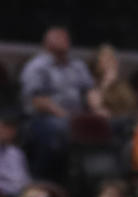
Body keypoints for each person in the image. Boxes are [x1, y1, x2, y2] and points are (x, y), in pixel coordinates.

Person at [19, 26, 97, 178]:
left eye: (66, 38)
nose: (64, 41)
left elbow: (90, 91)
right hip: (43, 118)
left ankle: (90, 178)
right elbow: (37, 100)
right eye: (59, 38)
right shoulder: (37, 66)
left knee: (110, 124)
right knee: (59, 128)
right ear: (47, 43)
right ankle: (44, 177)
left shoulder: (77, 65)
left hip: (76, 115)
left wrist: (98, 109)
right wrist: (66, 116)